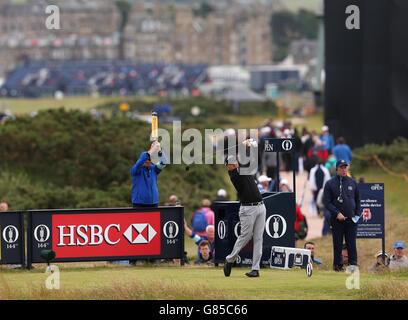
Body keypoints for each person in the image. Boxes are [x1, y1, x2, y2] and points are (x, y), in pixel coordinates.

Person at [223, 154, 266, 278]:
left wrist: (249, 146)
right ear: (228, 167)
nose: (235, 163)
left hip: (261, 206)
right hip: (248, 209)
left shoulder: (242, 168)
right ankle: (230, 259)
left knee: (258, 238)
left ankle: (255, 269)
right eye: (232, 163)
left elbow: (252, 160)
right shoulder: (234, 175)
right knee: (245, 236)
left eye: (235, 161)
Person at [323, 159, 360, 271]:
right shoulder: (330, 183)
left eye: (345, 167)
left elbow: (358, 200)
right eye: (341, 168)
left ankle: (353, 266)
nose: (344, 170)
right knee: (338, 245)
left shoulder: (353, 182)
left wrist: (357, 215)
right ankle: (338, 267)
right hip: (337, 220)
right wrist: (337, 213)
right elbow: (327, 202)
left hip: (351, 220)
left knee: (351, 245)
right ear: (337, 169)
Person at [130, 141, 167, 207]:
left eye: (149, 159)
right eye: (146, 158)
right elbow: (141, 160)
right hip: (139, 204)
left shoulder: (154, 169)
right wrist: (152, 149)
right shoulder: (135, 169)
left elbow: (164, 162)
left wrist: (159, 150)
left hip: (153, 203)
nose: (147, 160)